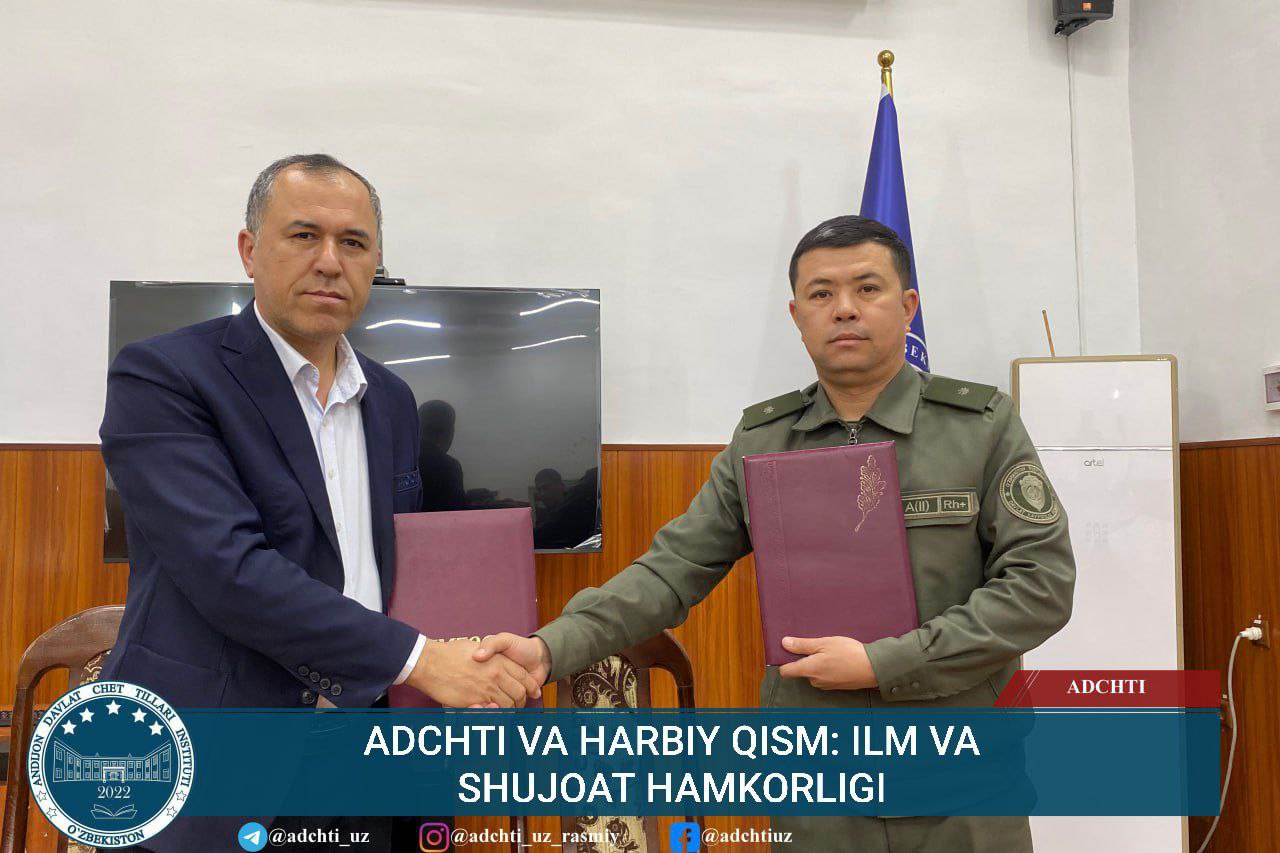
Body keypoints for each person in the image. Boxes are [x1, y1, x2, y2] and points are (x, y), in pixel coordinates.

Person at [476, 215, 1076, 852]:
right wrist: (550, 648)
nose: (844, 308)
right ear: (797, 316)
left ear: (907, 308)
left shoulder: (980, 427)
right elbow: (671, 571)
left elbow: (1039, 586)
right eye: (821, 293)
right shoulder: (763, 440)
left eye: (867, 288)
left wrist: (886, 663)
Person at [99, 154, 539, 852]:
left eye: (354, 242)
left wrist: (467, 660)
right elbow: (229, 571)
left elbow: (403, 568)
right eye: (305, 235)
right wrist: (424, 661)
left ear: (375, 263)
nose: (331, 261)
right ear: (249, 250)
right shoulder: (163, 376)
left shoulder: (391, 399)